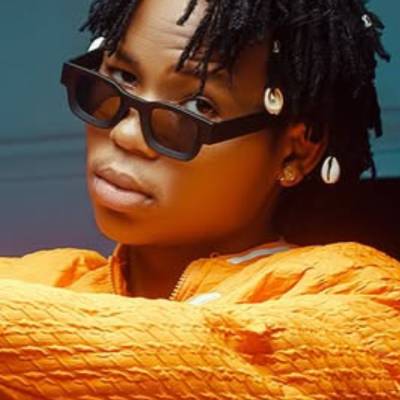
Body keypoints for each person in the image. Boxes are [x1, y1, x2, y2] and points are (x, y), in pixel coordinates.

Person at [0, 0, 399, 398]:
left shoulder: (365, 301)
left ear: (295, 151)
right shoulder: (46, 279)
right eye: (122, 76)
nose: (125, 134)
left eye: (198, 106)